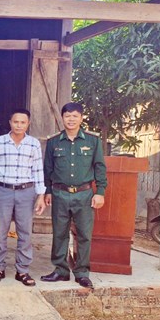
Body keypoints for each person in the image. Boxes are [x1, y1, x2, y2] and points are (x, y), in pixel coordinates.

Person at [40, 102, 107, 289]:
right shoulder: (53, 142)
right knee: (59, 234)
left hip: (84, 194)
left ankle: (82, 272)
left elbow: (100, 167)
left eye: (75, 116)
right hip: (60, 193)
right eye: (67, 116)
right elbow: (48, 169)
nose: (71, 119)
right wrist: (48, 191)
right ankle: (61, 270)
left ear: (81, 118)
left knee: (84, 235)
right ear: (62, 118)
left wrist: (100, 192)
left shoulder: (93, 141)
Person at [0, 109, 46, 287]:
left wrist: (40, 196)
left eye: (23, 122)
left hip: (26, 192)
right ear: (10, 122)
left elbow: (38, 170)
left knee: (25, 232)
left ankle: (23, 270)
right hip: (3, 191)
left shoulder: (33, 144)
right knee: (0, 231)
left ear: (28, 124)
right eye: (16, 122)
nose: (19, 125)